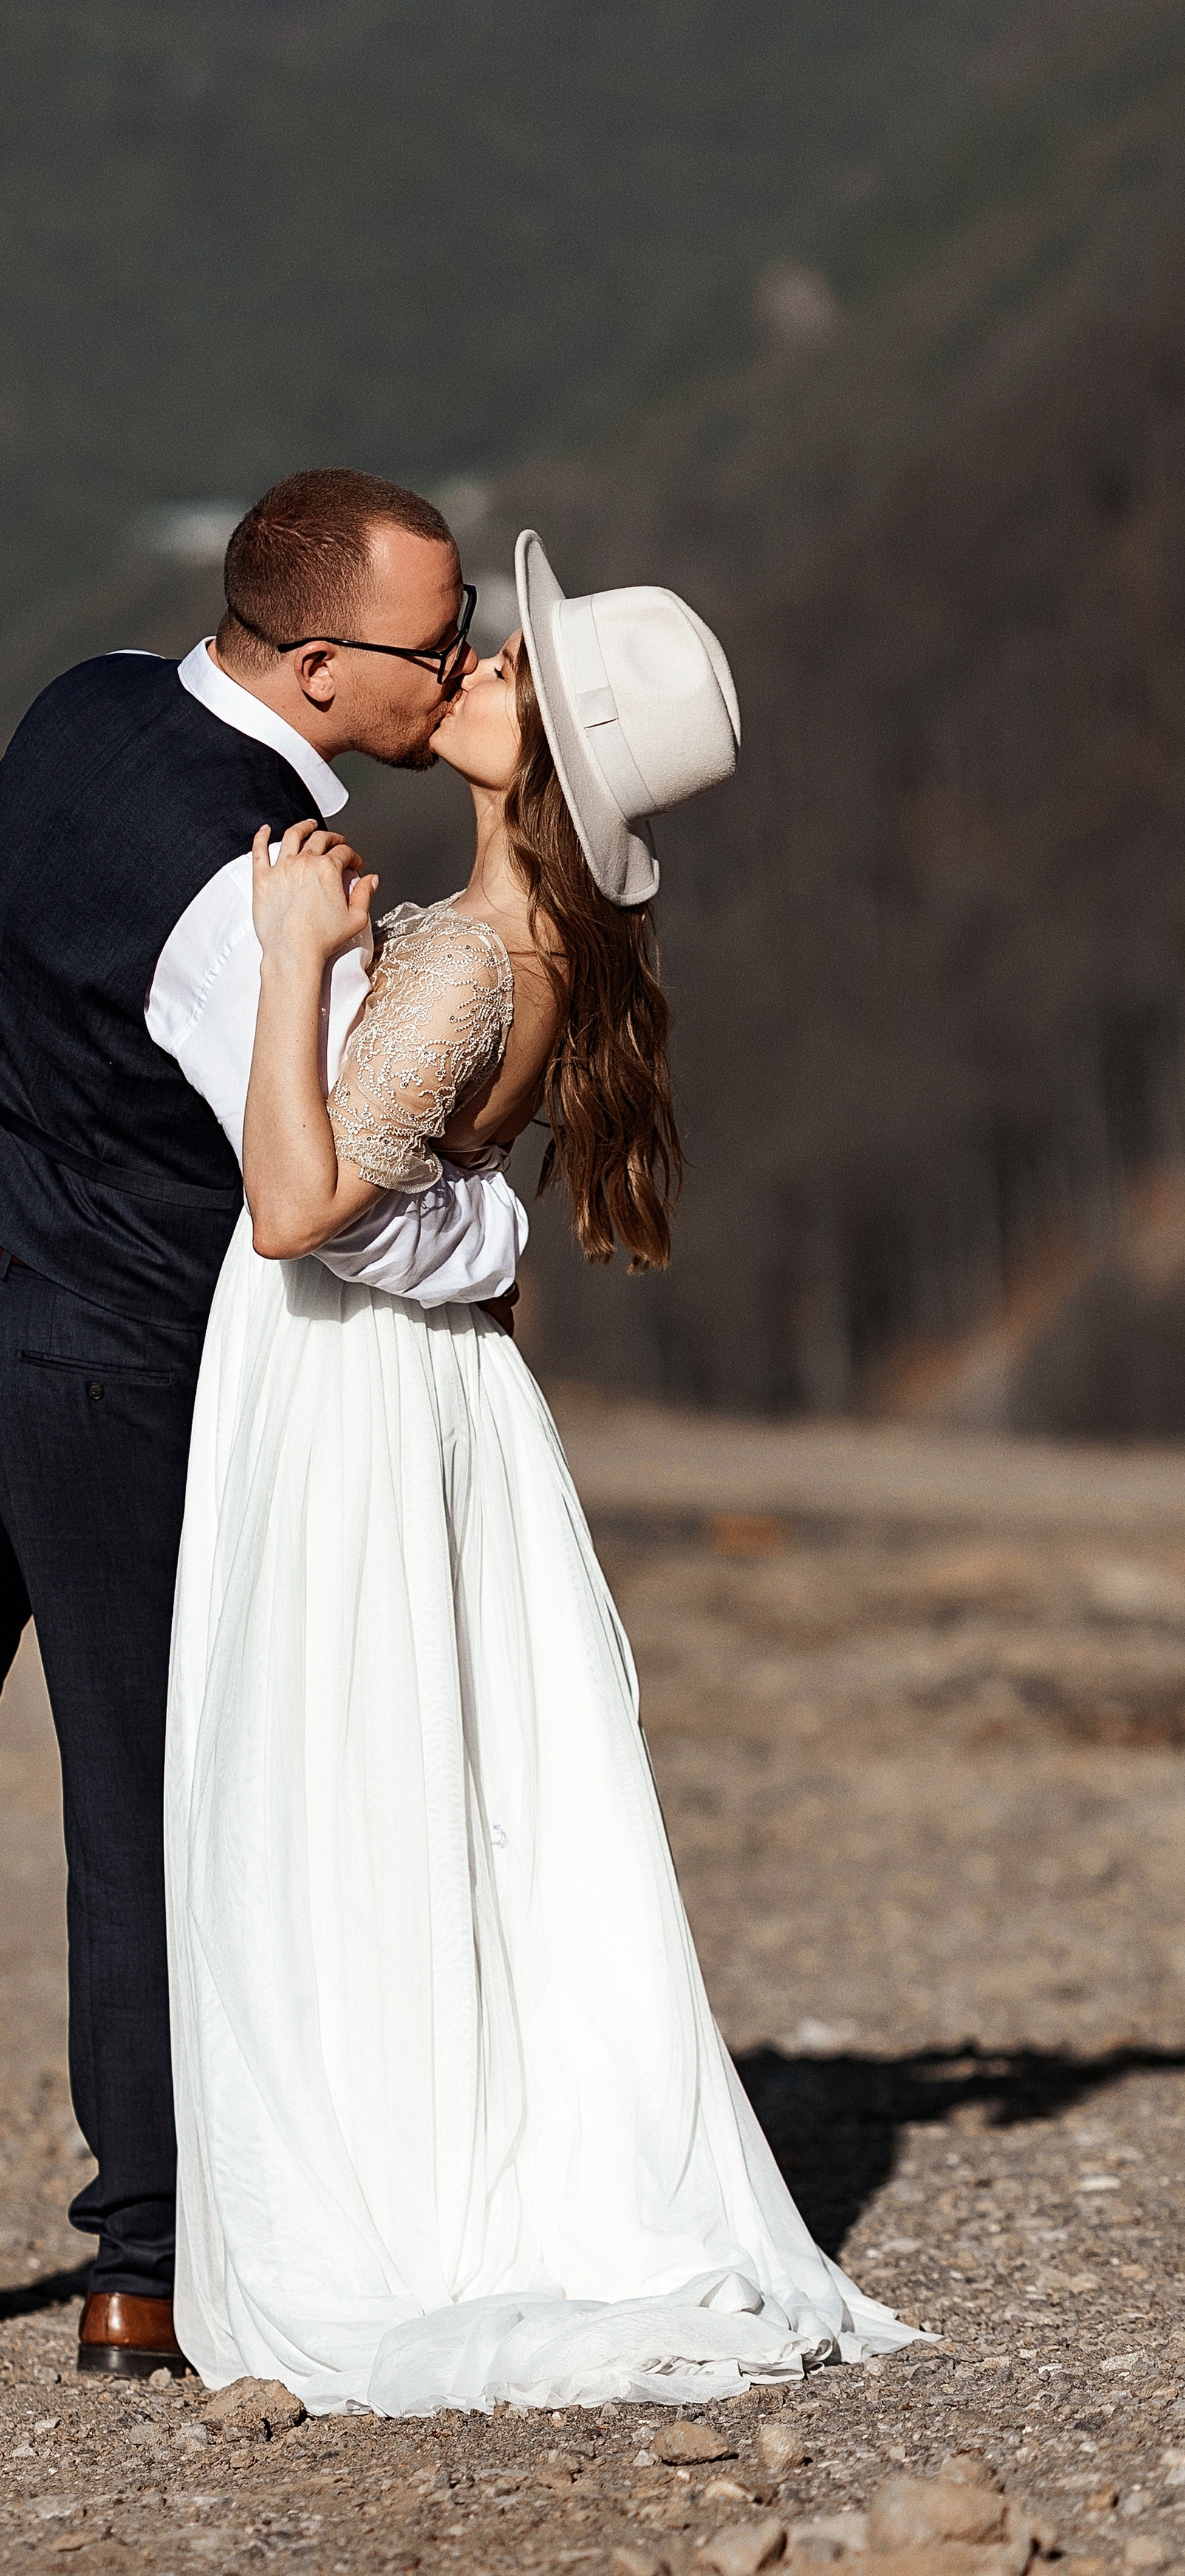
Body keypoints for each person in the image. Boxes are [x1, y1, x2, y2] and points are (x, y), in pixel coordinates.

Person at [0, 472, 527, 2364]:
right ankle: (136, 2263)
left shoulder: (79, 703)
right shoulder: (248, 894)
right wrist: (493, 1233)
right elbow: (315, 1177)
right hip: (91, 1354)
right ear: (319, 667)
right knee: (143, 1797)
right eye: (437, 643)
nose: (466, 661)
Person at [165, 531, 924, 2412]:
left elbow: (293, 1204)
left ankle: (376, 2181)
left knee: (331, 1785)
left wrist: (288, 962)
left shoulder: (461, 961)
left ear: (545, 757)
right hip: (424, 1393)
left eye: (506, 667)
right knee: (430, 1788)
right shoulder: (555, 954)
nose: (478, 664)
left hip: (337, 1394)